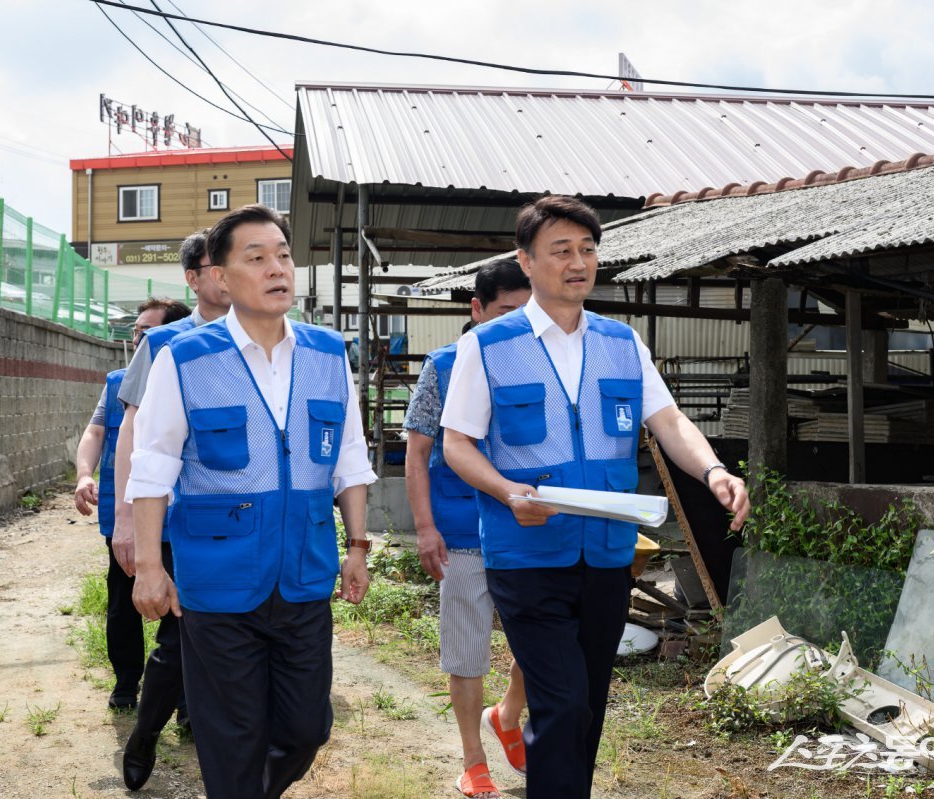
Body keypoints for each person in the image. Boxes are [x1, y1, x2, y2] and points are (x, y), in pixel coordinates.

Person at [441, 195, 750, 799]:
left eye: (587, 249)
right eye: (561, 250)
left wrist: (713, 471)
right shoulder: (489, 347)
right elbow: (458, 445)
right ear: (526, 262)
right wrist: (507, 491)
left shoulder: (622, 344)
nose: (578, 262)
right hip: (526, 553)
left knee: (586, 706)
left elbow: (669, 422)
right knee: (561, 702)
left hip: (607, 553)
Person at [127, 203, 375, 799]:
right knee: (232, 733)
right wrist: (151, 566)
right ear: (220, 275)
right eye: (257, 258)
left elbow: (348, 456)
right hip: (218, 580)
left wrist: (359, 546)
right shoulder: (184, 358)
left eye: (283, 256)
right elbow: (153, 465)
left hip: (304, 573)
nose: (276, 268)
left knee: (306, 729)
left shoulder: (326, 353)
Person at [403, 258, 531, 799]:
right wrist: (425, 527)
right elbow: (417, 454)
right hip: (460, 529)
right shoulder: (445, 365)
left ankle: (509, 714)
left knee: (537, 641)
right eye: (505, 313)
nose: (518, 326)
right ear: (477, 311)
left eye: (528, 313)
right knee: (467, 646)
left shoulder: (542, 360)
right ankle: (473, 761)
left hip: (529, 527)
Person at [111, 232, 233, 790]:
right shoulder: (160, 344)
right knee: (180, 637)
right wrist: (125, 519)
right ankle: (145, 733)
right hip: (180, 518)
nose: (233, 273)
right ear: (194, 278)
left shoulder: (278, 338)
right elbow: (131, 432)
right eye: (219, 265)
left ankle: (221, 738)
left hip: (247, 519)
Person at [72, 297, 190, 711]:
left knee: (180, 606)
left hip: (178, 516)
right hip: (124, 513)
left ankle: (181, 698)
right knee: (123, 602)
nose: (138, 337)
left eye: (147, 331)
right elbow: (95, 433)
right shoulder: (118, 382)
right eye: (136, 331)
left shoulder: (191, 374)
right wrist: (85, 474)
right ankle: (126, 683)